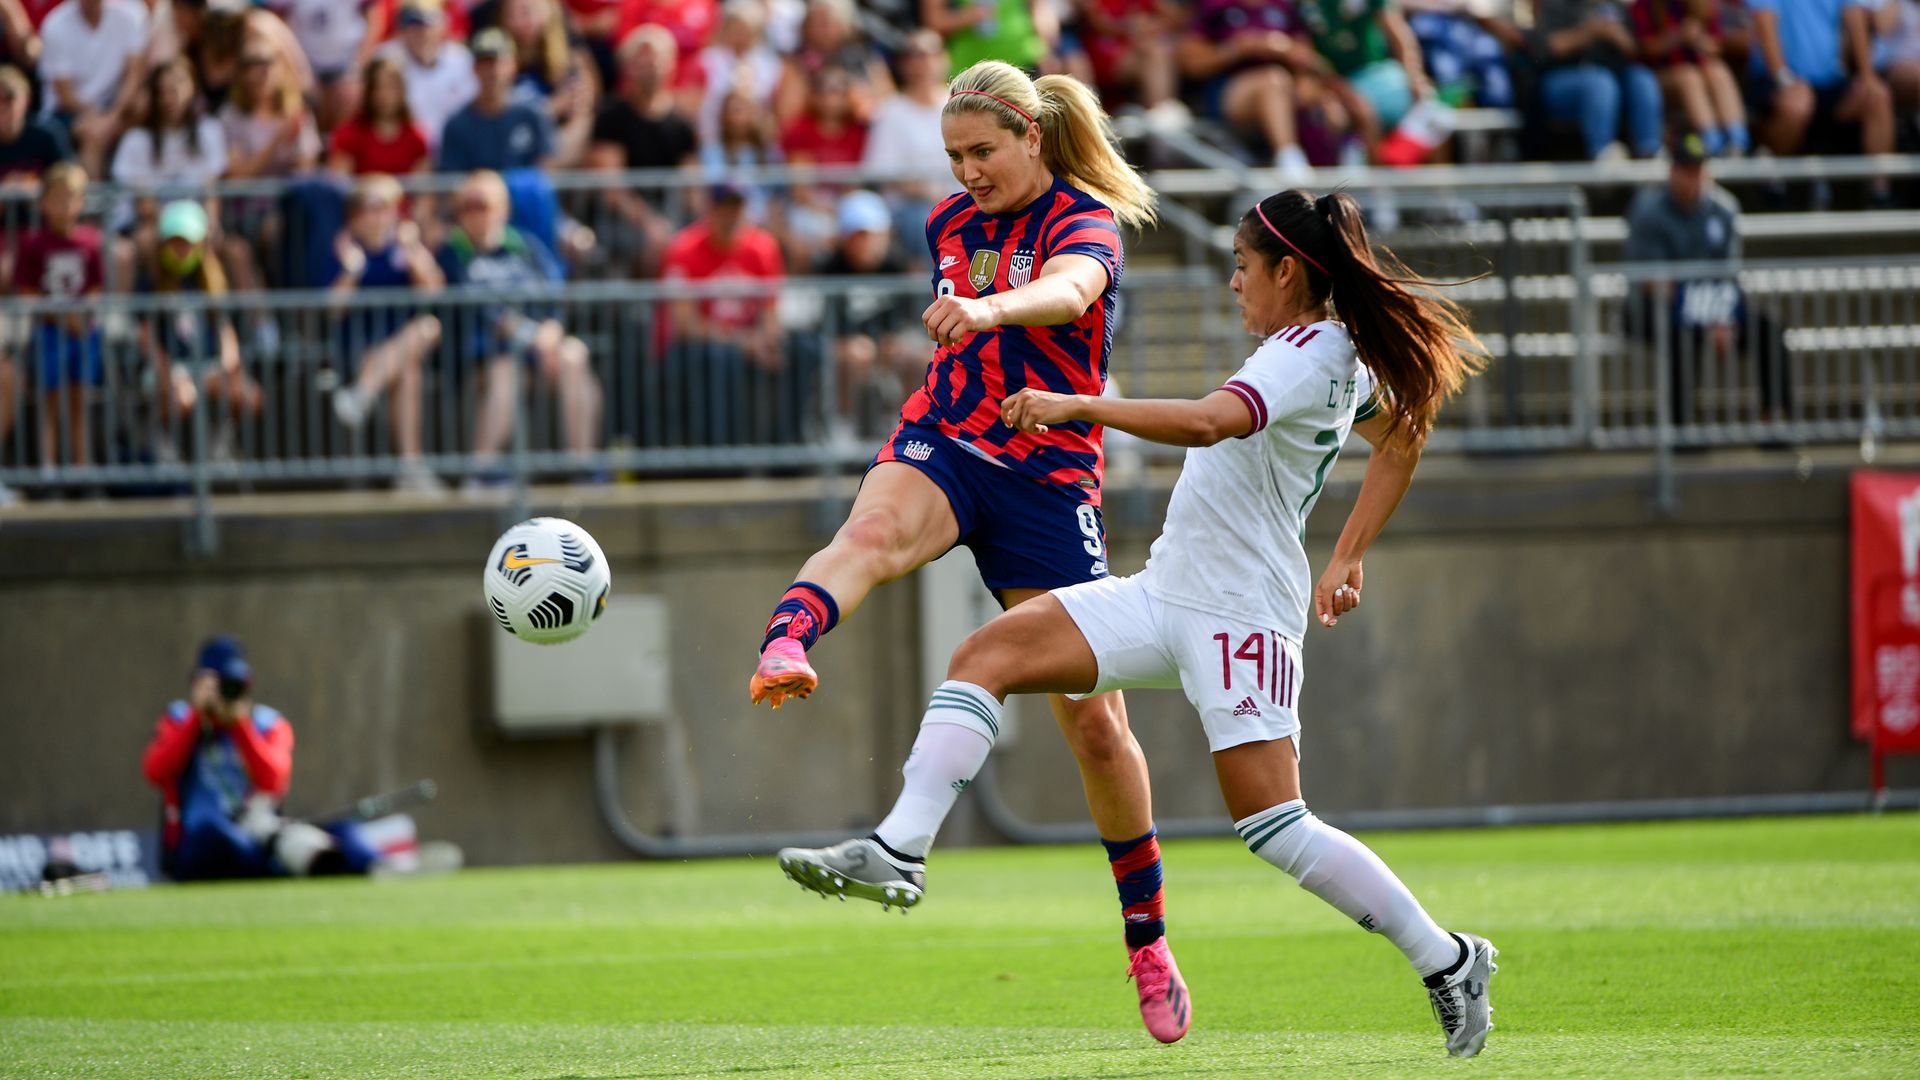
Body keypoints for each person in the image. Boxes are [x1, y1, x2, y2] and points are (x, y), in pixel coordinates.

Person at [777, 187, 1498, 1058]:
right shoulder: (1333, 352)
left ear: (1287, 271)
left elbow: (1207, 421)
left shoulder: (1305, 352)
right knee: (986, 655)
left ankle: (1448, 958)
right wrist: (1348, 553)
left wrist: (1078, 407)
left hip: (1241, 616)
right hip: (1167, 591)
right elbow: (1402, 431)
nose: (1234, 284)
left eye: (1241, 267)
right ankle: (901, 848)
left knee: (1273, 825)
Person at [743, 60, 1179, 1041]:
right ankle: (787, 642)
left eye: (983, 151)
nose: (968, 172)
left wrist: (987, 309)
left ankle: (1147, 939)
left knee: (1097, 730)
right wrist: (969, 323)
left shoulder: (1081, 220)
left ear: (1033, 135)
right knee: (870, 531)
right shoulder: (950, 224)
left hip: (1047, 478)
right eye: (953, 156)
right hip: (948, 438)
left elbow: (1070, 295)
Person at [143, 635, 384, 880]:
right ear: (197, 683)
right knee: (214, 835)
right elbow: (156, 772)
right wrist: (197, 718)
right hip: (201, 844)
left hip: (258, 836)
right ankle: (295, 864)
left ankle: (373, 867)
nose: (227, 692)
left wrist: (240, 726)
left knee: (348, 834)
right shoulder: (179, 719)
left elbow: (274, 782)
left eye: (233, 684)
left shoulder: (267, 724)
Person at [438, 169, 601, 484]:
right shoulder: (453, 252)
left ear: (504, 209)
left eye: (483, 205)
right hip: (480, 354)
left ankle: (583, 465)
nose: (475, 214)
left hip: (538, 349)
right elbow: (483, 310)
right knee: (505, 372)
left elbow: (554, 294)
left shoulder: (525, 246)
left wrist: (551, 331)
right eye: (468, 206)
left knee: (574, 354)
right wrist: (532, 337)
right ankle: (480, 472)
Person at [1625, 128, 1790, 429]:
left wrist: (1720, 315)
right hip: (1651, 307)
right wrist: (1709, 313)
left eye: (1698, 170)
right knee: (1680, 332)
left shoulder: (1724, 209)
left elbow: (1728, 273)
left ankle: (1776, 418)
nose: (1693, 179)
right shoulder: (1648, 211)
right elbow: (1653, 283)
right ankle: (1681, 427)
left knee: (1769, 326)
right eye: (1686, 170)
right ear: (1672, 171)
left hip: (1710, 302)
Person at [327, 174, 446, 493]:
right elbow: (333, 309)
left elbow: (433, 293)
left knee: (427, 328)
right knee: (408, 372)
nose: (381, 216)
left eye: (388, 208)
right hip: (359, 347)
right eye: (372, 208)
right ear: (355, 217)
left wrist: (415, 251)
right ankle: (411, 469)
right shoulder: (343, 248)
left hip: (400, 344)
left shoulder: (404, 248)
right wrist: (352, 268)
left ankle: (361, 396)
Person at [656, 180, 799, 447]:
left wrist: (765, 341)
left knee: (802, 349)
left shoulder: (763, 247)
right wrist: (742, 342)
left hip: (745, 340)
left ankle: (789, 447)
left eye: (736, 208)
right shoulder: (683, 248)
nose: (730, 216)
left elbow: (771, 313)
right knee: (721, 358)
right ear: (709, 209)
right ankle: (722, 454)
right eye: (723, 208)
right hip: (694, 348)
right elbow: (685, 325)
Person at [134, 200, 259, 462]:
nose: (181, 249)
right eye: (175, 242)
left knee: (246, 394)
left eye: (187, 242)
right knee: (181, 396)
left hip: (208, 365)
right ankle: (162, 448)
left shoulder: (215, 281)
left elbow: (226, 329)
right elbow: (146, 336)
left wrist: (227, 364)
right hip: (169, 367)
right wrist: (169, 372)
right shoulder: (150, 282)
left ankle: (222, 446)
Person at [1746, 0, 1894, 206]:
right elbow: (1764, 23)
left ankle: (1880, 193)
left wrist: (1868, 76)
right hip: (1776, 80)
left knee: (1877, 97)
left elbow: (1854, 17)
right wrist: (1784, 79)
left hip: (1829, 83)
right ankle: (1771, 173)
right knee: (1797, 105)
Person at [815, 188, 928, 446]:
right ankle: (841, 428)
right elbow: (822, 322)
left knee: (917, 355)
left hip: (889, 343)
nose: (865, 243)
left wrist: (895, 340)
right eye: (858, 235)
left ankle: (906, 425)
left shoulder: (898, 265)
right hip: (842, 344)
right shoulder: (830, 268)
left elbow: (912, 318)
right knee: (857, 353)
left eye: (872, 234)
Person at [587, 23, 698, 278]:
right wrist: (650, 223)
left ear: (671, 64)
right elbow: (611, 189)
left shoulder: (682, 121)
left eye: (656, 59)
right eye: (642, 60)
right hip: (623, 221)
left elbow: (693, 185)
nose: (651, 66)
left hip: (671, 216)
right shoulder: (611, 117)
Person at [12, 162, 102, 472]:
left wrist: (80, 317)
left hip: (83, 333)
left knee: (81, 403)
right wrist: (60, 316)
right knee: (49, 403)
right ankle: (47, 472)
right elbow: (25, 291)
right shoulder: (31, 243)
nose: (65, 205)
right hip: (49, 333)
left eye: (72, 197)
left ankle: (82, 470)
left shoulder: (91, 240)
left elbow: (96, 287)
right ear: (44, 202)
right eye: (58, 197)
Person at [1177, 0, 1323, 182]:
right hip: (1228, 91)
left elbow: (1309, 59)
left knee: (1329, 108)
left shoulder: (1283, 8)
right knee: (1272, 80)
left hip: (1286, 91)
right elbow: (1190, 63)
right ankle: (1289, 159)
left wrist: (1282, 48)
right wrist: (1236, 49)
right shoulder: (1215, 7)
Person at [860, 30, 959, 264]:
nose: (923, 62)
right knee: (927, 222)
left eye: (930, 54)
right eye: (915, 55)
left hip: (961, 199)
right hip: (912, 208)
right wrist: (931, 194)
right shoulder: (892, 111)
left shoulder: (960, 106)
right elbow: (884, 171)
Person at [1525, 0, 1664, 160]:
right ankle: (1603, 153)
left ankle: (1650, 151)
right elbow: (1546, 47)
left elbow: (1635, 52)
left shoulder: (1617, 7)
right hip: (1559, 80)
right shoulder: (1556, 4)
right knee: (1599, 82)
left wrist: (1619, 37)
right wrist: (1588, 32)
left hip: (1613, 79)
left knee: (1642, 79)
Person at [1299, 0, 1434, 154]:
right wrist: (1338, 89)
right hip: (1328, 84)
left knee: (1429, 110)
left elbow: (1399, 35)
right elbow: (1304, 52)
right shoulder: (1303, 5)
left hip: (1375, 77)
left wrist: (1415, 78)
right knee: (1341, 115)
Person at [35, 0, 147, 177]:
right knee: (93, 133)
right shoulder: (55, 25)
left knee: (144, 107)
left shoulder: (131, 15)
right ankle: (94, 202)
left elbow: (134, 73)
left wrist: (114, 114)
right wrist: (100, 118)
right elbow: (65, 95)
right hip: (67, 113)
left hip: (115, 107)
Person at [1630, 0, 1751, 158]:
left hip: (1701, 73)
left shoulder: (1705, 5)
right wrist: (1677, 37)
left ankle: (1737, 142)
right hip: (1659, 77)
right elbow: (1643, 49)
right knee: (1689, 76)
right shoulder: (1644, 5)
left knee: (1718, 71)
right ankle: (1711, 144)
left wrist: (1698, 39)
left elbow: (1716, 48)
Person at [437, 28, 554, 172]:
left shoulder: (532, 115)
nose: (493, 71)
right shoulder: (457, 123)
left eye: (500, 62)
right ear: (474, 68)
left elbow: (546, 168)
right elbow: (451, 181)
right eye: (485, 63)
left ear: (513, 66)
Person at [378, 0, 476, 152]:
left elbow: (472, 111)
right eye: (414, 24)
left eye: (427, 24)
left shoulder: (461, 59)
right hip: (403, 151)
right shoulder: (386, 59)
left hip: (455, 148)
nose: (422, 32)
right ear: (402, 28)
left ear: (442, 26)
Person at [327, 54, 432, 179]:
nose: (385, 95)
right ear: (369, 92)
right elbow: (338, 187)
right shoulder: (348, 135)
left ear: (402, 90)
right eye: (378, 87)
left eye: (392, 87)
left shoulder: (417, 137)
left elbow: (423, 191)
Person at [0, 65, 74, 183]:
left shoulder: (47, 136)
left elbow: (69, 179)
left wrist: (34, 183)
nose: (2, 106)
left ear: (27, 100)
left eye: (9, 97)